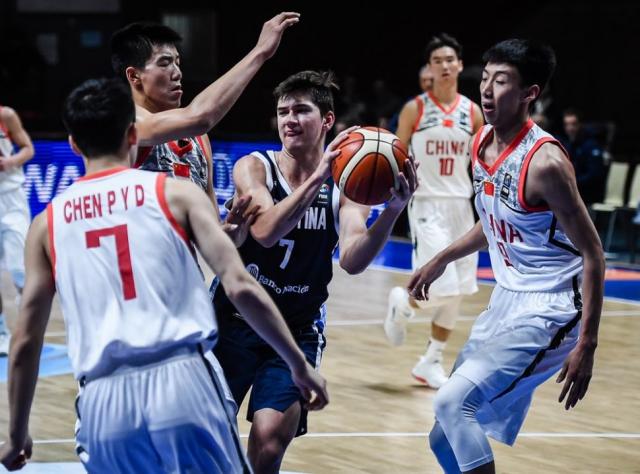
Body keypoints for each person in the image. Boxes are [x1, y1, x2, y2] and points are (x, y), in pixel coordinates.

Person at [0, 78, 328, 473]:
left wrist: (17, 433)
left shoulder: (46, 224)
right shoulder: (175, 194)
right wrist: (298, 363)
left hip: (103, 398)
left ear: (72, 144)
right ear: (133, 135)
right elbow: (240, 285)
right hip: (182, 381)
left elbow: (25, 341)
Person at [408, 39, 604, 473]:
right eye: (485, 79)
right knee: (443, 434)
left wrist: (588, 342)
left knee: (452, 403)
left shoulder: (547, 164)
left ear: (530, 93)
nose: (487, 89)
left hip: (553, 306)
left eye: (501, 81)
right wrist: (441, 258)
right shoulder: (480, 142)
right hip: (506, 302)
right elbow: (495, 220)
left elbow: (593, 253)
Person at [211, 70, 418, 473]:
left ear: (327, 121)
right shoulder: (254, 168)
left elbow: (354, 259)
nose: (289, 119)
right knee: (209, 435)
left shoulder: (346, 185)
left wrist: (394, 210)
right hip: (233, 320)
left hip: (297, 327)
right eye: (282, 111)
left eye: (301, 110)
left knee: (270, 441)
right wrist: (318, 178)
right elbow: (266, 232)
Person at [110, 12, 301, 244]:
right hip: (137, 264)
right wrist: (259, 52)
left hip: (186, 266)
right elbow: (200, 117)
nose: (177, 73)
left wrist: (232, 232)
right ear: (134, 76)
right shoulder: (125, 122)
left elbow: (213, 235)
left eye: (177, 62)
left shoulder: (199, 139)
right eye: (165, 63)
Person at [384, 33, 484, 389]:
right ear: (429, 68)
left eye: (449, 60)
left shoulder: (472, 112)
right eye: (437, 60)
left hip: (462, 205)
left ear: (459, 65)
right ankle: (404, 301)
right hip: (427, 204)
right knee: (445, 285)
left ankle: (431, 361)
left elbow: (482, 160)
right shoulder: (415, 109)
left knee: (460, 290)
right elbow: (397, 153)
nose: (444, 65)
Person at [0, 104, 34, 356]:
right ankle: (1, 334)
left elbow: (28, 148)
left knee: (20, 271)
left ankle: (29, 331)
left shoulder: (6, 115)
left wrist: (10, 162)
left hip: (11, 199)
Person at [559, 108, 606, 206]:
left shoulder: (591, 145)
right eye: (567, 124)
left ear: (580, 124)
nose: (570, 128)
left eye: (573, 124)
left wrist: (571, 182)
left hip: (589, 195)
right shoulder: (566, 144)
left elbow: (594, 175)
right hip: (572, 192)